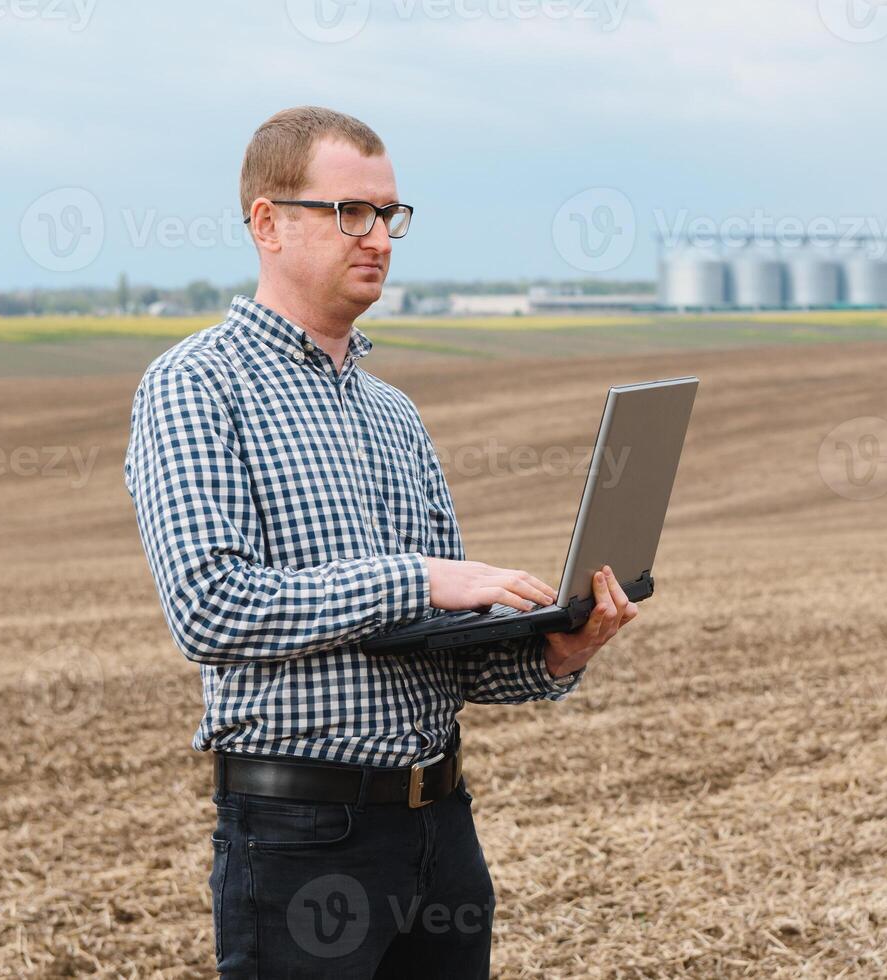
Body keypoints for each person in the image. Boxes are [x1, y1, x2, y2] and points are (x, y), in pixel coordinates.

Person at [123, 105, 637, 978]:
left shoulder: (394, 413)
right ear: (268, 224)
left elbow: (446, 655)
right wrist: (420, 579)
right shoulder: (195, 385)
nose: (380, 238)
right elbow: (211, 609)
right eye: (349, 212)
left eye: (389, 215)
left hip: (440, 827)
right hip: (301, 840)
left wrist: (555, 648)